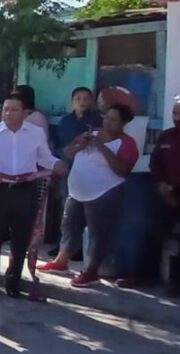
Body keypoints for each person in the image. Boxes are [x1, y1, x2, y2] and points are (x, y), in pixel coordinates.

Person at [0, 94, 68, 297]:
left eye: (14, 109)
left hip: (25, 190)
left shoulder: (35, 133)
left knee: (21, 237)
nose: (8, 113)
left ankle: (13, 281)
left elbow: (44, 157)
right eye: (6, 109)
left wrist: (56, 164)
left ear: (25, 113)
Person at [37, 104, 138, 287]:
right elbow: (66, 153)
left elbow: (123, 170)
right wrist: (78, 145)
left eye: (113, 120)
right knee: (69, 227)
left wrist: (102, 147)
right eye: (106, 118)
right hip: (77, 191)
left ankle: (91, 271)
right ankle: (61, 262)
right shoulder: (91, 134)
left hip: (104, 193)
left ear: (123, 123)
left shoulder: (127, 143)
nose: (107, 122)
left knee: (97, 233)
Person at [48, 87, 102, 257]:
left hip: (90, 169)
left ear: (91, 101)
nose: (82, 102)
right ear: (72, 102)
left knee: (87, 210)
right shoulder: (65, 121)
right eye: (78, 99)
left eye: (86, 99)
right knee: (66, 208)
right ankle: (64, 246)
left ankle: (80, 248)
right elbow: (57, 146)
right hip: (69, 167)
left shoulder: (98, 121)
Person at [150, 99, 180, 296]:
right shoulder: (167, 136)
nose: (177, 117)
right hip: (164, 194)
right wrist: (162, 185)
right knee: (154, 233)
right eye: (175, 112)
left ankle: (175, 283)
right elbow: (155, 162)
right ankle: (148, 276)